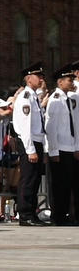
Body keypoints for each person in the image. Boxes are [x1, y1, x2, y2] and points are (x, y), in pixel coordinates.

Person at [9, 65, 51, 225]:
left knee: (35, 180)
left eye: (42, 76)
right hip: (29, 142)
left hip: (36, 142)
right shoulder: (25, 97)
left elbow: (39, 126)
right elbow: (25, 127)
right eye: (38, 76)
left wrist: (43, 148)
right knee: (28, 179)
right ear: (28, 78)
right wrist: (30, 149)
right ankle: (25, 214)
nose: (41, 79)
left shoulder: (33, 97)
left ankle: (32, 213)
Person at [49, 65, 79, 227]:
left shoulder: (67, 99)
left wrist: (75, 146)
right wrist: (53, 150)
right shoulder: (55, 99)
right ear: (60, 82)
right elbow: (51, 127)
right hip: (59, 147)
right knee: (59, 184)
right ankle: (58, 215)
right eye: (69, 80)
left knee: (67, 183)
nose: (72, 82)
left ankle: (65, 214)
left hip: (68, 146)